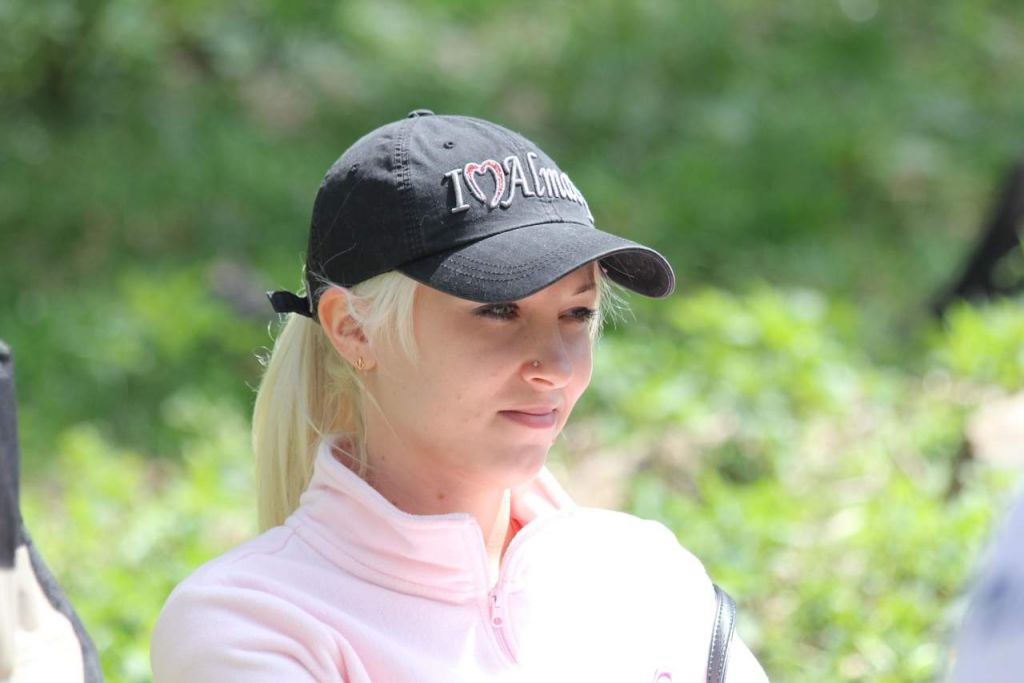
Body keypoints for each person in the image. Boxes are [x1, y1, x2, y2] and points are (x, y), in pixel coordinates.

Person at [150, 110, 769, 682]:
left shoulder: (646, 571)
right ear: (354, 330)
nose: (555, 368)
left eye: (576, 313)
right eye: (498, 310)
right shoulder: (251, 622)